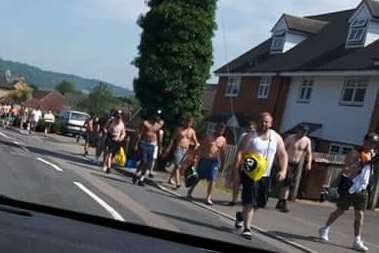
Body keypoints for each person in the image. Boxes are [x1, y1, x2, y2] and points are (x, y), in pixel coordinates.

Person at [318, 132, 379, 252]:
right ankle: (325, 228)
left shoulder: (372, 155)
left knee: (360, 214)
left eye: (374, 143)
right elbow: (346, 170)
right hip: (351, 187)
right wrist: (360, 164)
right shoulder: (355, 153)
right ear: (365, 141)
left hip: (363, 188)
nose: (372, 145)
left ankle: (357, 240)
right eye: (370, 142)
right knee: (341, 210)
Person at [234, 112, 288, 240]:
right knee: (249, 201)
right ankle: (247, 228)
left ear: (271, 123)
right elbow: (240, 153)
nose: (264, 124)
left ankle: (241, 216)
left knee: (260, 202)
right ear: (258, 122)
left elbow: (283, 154)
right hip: (250, 173)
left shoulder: (276, 137)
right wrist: (236, 173)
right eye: (262, 121)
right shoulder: (250, 136)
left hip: (265, 175)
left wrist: (283, 170)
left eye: (267, 122)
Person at [187, 122, 227, 206]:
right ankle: (190, 191)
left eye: (222, 130)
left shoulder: (223, 140)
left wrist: (222, 164)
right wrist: (196, 158)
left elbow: (223, 153)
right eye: (219, 128)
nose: (220, 131)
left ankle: (208, 197)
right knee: (198, 177)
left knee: (212, 179)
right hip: (205, 159)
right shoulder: (208, 137)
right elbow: (201, 148)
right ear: (216, 128)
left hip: (214, 161)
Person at [276, 124, 313, 213]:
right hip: (287, 162)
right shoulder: (290, 138)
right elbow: (282, 149)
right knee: (287, 182)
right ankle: (283, 202)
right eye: (302, 131)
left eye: (305, 132)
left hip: (296, 164)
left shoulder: (307, 141)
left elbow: (309, 153)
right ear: (298, 130)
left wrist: (309, 163)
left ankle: (280, 201)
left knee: (288, 184)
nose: (303, 133)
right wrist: (278, 160)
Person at [164, 115, 200, 188]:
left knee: (180, 166)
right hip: (178, 148)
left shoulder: (192, 131)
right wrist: (168, 148)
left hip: (186, 150)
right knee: (178, 165)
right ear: (184, 122)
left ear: (191, 123)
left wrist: (195, 147)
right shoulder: (179, 129)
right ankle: (178, 182)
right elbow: (173, 139)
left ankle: (171, 178)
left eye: (189, 123)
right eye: (187, 122)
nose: (188, 124)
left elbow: (196, 142)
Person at [228, 120, 257, 206]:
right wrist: (236, 161)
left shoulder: (257, 137)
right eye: (249, 128)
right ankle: (234, 199)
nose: (250, 129)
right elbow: (239, 149)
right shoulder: (244, 136)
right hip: (242, 161)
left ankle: (245, 200)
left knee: (248, 183)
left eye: (252, 128)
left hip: (251, 163)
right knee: (237, 181)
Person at [133, 111, 164, 186]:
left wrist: (160, 148)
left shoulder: (158, 125)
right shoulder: (145, 123)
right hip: (144, 143)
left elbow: (159, 137)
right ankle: (137, 173)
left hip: (152, 145)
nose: (157, 117)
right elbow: (140, 134)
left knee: (148, 163)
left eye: (159, 116)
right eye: (156, 115)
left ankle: (141, 178)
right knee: (144, 160)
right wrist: (136, 144)